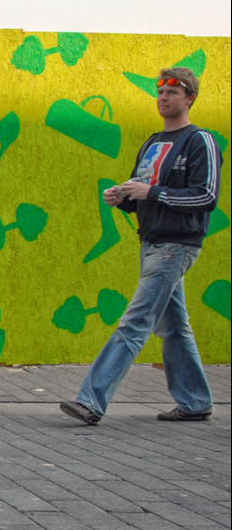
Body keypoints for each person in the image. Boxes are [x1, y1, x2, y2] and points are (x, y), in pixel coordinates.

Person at [60, 67, 222, 425]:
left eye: (173, 93)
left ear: (190, 98)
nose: (163, 98)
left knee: (135, 323)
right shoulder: (152, 143)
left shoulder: (200, 141)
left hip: (175, 246)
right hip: (150, 244)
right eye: (160, 93)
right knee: (175, 327)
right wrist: (124, 197)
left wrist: (151, 192)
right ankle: (195, 401)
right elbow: (144, 191)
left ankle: (91, 400)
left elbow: (206, 196)